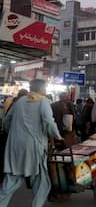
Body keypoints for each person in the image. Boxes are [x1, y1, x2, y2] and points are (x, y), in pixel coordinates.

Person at [0, 79, 62, 207]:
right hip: (33, 147)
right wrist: (58, 137)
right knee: (41, 182)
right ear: (42, 89)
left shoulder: (20, 101)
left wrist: (15, 134)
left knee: (11, 180)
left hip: (15, 147)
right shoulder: (43, 102)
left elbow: (6, 122)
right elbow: (49, 123)